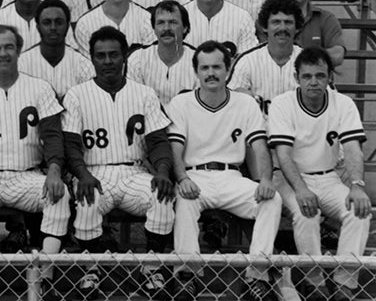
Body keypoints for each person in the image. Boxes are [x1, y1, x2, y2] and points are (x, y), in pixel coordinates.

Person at [0, 24, 71, 301]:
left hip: (27, 175)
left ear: (18, 50)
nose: (2, 53)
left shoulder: (40, 88)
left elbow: (54, 136)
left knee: (60, 194)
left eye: (8, 47)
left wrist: (54, 170)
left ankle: (45, 274)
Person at [63, 26, 175, 300]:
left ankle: (151, 269)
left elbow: (159, 141)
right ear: (92, 58)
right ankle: (92, 268)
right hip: (94, 172)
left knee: (161, 196)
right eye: (101, 56)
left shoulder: (145, 93)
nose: (108, 61)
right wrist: (82, 174)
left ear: (125, 56)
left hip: (134, 171)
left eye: (114, 54)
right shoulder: (77, 94)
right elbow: (71, 145)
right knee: (87, 199)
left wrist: (162, 171)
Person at [167, 40, 281, 301]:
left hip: (232, 176)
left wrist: (265, 178)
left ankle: (257, 277)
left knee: (272, 199)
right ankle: (187, 276)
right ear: (196, 72)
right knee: (184, 200)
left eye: (217, 67)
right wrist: (182, 177)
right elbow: (174, 147)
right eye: (204, 67)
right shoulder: (181, 103)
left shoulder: (245, 103)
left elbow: (260, 146)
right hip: (195, 176)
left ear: (228, 70)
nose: (211, 73)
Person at [270, 48, 369, 301]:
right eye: (307, 76)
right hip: (290, 178)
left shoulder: (343, 103)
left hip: (329, 177)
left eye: (320, 76)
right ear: (297, 78)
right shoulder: (282, 103)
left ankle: (344, 285)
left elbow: (352, 149)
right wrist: (301, 189)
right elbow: (283, 155)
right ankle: (314, 283)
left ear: (329, 78)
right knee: (306, 213)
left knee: (358, 212)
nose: (314, 82)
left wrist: (357, 185)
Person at [228, 0, 303, 114]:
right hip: (258, 130)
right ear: (265, 27)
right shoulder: (247, 61)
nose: (282, 28)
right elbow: (230, 100)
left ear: (297, 27)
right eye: (276, 22)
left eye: (288, 22)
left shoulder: (309, 60)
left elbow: (329, 100)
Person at [19, 0, 94, 99]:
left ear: (67, 26)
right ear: (38, 27)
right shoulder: (22, 64)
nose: (53, 27)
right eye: (47, 22)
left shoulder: (84, 66)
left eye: (59, 22)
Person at [127, 1, 197, 105]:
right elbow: (135, 103)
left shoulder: (199, 60)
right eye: (160, 23)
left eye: (173, 22)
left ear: (185, 28)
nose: (166, 28)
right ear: (154, 29)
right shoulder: (137, 60)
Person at [276, 0, 344, 67]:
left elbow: (337, 55)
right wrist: (316, 57)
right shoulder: (265, 20)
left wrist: (300, 57)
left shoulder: (326, 19)